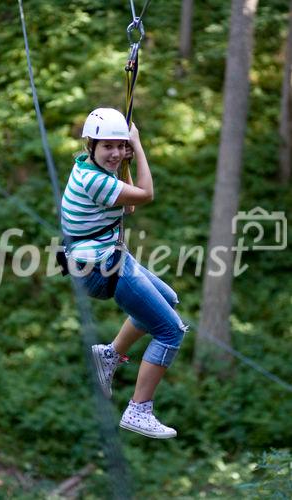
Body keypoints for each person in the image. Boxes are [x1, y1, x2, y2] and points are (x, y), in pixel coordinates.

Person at [61, 108, 188, 439]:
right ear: (91, 145)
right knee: (171, 331)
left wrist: (126, 163)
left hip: (106, 260)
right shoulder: (95, 180)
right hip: (102, 268)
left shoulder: (87, 167)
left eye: (121, 145)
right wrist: (138, 144)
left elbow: (128, 206)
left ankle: (110, 354)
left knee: (168, 300)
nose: (115, 152)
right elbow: (145, 196)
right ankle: (138, 410)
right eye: (108, 147)